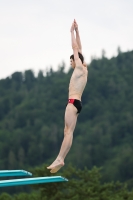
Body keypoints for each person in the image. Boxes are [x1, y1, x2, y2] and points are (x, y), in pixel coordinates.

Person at [47, 19, 88, 173]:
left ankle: (60, 158)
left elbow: (75, 47)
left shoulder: (78, 66)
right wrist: (78, 31)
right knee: (69, 132)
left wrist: (71, 32)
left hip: (72, 103)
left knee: (67, 131)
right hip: (78, 104)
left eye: (71, 60)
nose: (71, 63)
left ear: (75, 60)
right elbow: (81, 48)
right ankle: (61, 158)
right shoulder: (84, 69)